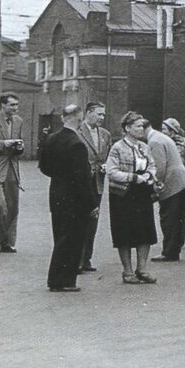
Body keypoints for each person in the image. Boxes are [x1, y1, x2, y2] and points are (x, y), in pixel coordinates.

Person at [39, 104, 97, 293]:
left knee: (60, 237)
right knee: (73, 239)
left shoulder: (51, 139)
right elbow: (83, 178)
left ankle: (55, 279)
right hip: (75, 199)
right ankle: (65, 280)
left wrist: (60, 177)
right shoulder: (77, 144)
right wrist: (92, 203)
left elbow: (44, 167)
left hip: (57, 193)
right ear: (79, 119)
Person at [104, 112, 160, 284]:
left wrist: (150, 175)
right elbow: (112, 172)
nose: (141, 129)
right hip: (123, 195)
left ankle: (142, 269)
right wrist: (133, 177)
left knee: (145, 231)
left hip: (142, 194)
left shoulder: (144, 146)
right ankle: (127, 271)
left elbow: (152, 164)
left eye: (142, 126)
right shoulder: (117, 148)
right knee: (124, 233)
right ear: (127, 128)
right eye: (137, 126)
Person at [147, 120, 185, 263]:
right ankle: (174, 249)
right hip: (180, 182)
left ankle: (169, 252)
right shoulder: (163, 139)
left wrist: (155, 187)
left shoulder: (155, 141)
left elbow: (159, 168)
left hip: (172, 184)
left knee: (168, 218)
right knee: (178, 218)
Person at [76, 101, 112, 273]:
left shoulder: (105, 134)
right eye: (99, 114)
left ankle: (86, 259)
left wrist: (106, 165)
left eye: (103, 115)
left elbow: (109, 156)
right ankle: (76, 260)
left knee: (92, 222)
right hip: (81, 182)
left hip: (97, 181)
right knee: (79, 221)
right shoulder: (77, 132)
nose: (102, 118)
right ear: (89, 112)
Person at [0, 92, 25, 253]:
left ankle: (8, 242)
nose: (15, 108)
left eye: (16, 105)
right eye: (12, 105)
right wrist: (3, 143)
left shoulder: (18, 121)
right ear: (3, 105)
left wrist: (19, 147)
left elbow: (19, 142)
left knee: (13, 207)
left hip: (12, 169)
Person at [160, 119, 185, 225]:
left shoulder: (184, 145)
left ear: (172, 131)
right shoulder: (161, 143)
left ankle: (179, 240)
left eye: (164, 129)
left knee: (182, 216)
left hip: (182, 185)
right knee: (167, 215)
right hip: (167, 184)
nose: (161, 132)